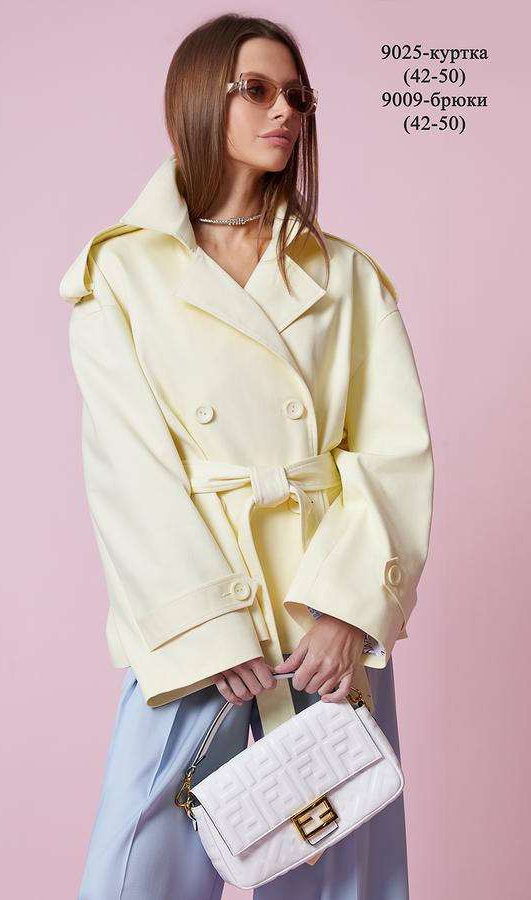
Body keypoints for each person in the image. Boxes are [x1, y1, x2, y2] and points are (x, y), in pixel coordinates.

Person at [59, 13, 434, 900]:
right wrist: (205, 632)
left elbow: (393, 451)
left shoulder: (347, 275)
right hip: (200, 617)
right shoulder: (123, 274)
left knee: (339, 870)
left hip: (322, 618)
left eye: (298, 95)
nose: (285, 112)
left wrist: (349, 612)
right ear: (199, 98)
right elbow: (129, 471)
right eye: (257, 90)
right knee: (138, 870)